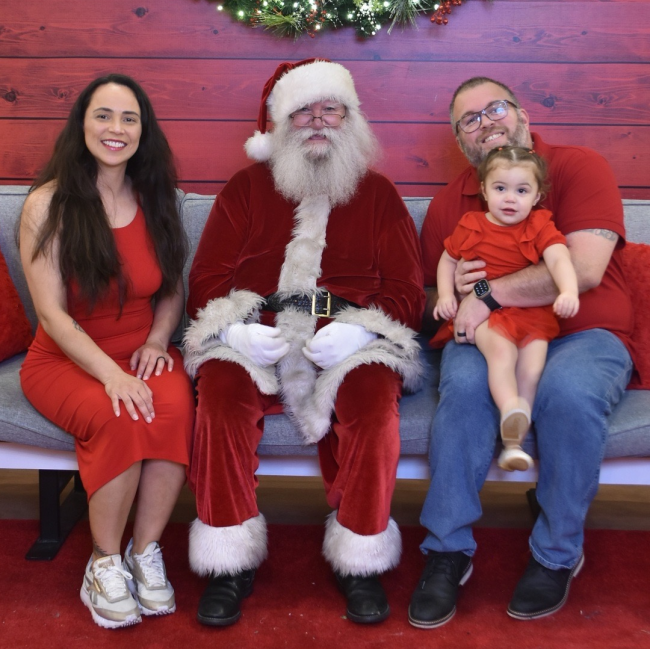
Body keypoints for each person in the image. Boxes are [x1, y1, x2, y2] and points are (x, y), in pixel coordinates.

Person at [183, 58, 425, 627]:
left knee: (371, 406)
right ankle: (228, 560)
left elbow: (406, 291)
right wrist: (236, 326)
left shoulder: (379, 195)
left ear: (350, 117)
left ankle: (359, 560)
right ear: (280, 124)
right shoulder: (243, 191)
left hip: (351, 339)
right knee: (219, 394)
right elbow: (207, 280)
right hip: (259, 334)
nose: (318, 121)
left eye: (330, 109)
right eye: (303, 111)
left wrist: (362, 328)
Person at [409, 77, 634, 628]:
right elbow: (424, 297)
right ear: (463, 143)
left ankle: (555, 553)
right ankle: (447, 550)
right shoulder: (449, 205)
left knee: (571, 393)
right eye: (470, 119)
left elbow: (582, 270)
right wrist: (448, 292)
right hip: (490, 334)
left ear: (522, 115)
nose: (486, 122)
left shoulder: (580, 166)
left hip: (584, 330)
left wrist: (483, 291)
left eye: (495, 109)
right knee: (463, 391)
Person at [19, 74, 195, 630]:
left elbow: (172, 289)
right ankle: (103, 561)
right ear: (82, 123)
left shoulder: (156, 197)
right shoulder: (48, 205)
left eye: (128, 119)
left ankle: (144, 552)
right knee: (120, 412)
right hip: (66, 357)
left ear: (143, 132)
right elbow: (52, 315)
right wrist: (111, 377)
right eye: (103, 115)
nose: (115, 129)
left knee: (174, 404)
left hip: (140, 347)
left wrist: (155, 341)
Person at [432, 146, 579, 472]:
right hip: (488, 314)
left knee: (532, 369)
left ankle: (513, 444)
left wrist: (568, 289)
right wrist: (445, 296)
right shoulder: (471, 224)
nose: (510, 198)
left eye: (522, 190)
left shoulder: (540, 225)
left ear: (537, 195)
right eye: (501, 188)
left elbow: (559, 258)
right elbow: (448, 259)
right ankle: (510, 404)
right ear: (484, 190)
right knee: (502, 355)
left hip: (533, 314)